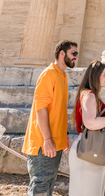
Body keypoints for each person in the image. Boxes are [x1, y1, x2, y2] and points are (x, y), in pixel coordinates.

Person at [22, 40, 78, 196]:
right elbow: (41, 108)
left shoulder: (62, 76)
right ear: (62, 53)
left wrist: (63, 135)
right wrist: (47, 139)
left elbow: (57, 110)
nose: (76, 57)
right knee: (41, 186)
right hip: (43, 143)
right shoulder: (49, 74)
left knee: (47, 185)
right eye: (73, 53)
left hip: (54, 142)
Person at [69, 60, 105, 196]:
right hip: (87, 150)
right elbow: (90, 123)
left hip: (90, 149)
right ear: (96, 75)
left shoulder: (88, 94)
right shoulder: (89, 95)